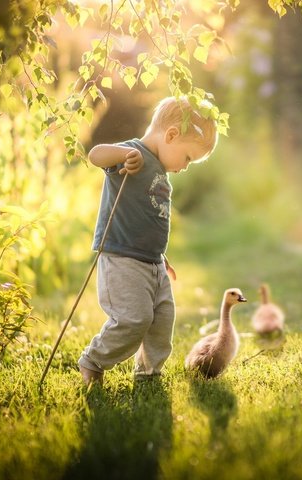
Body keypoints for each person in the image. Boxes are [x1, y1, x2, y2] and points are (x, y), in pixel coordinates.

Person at [77, 96, 219, 386]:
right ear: (171, 135)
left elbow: (150, 217)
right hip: (122, 257)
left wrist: (161, 256)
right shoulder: (133, 153)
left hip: (152, 261)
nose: (186, 166)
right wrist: (121, 155)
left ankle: (149, 373)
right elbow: (95, 155)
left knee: (162, 320)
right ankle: (93, 360)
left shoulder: (161, 172)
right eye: (189, 157)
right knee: (134, 319)